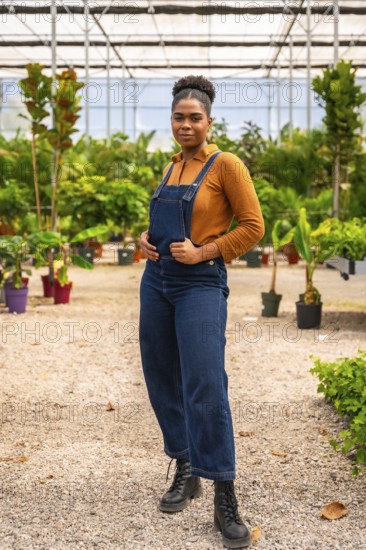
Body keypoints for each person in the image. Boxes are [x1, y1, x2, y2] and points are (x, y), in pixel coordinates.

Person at [138, 75, 264, 549]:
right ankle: (186, 465)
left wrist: (207, 251)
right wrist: (144, 241)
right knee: (160, 373)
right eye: (178, 117)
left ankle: (224, 491)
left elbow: (253, 226)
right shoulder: (172, 167)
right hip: (158, 281)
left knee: (206, 381)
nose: (185, 125)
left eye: (194, 117)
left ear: (209, 121)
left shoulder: (225, 164)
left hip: (199, 284)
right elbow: (162, 225)